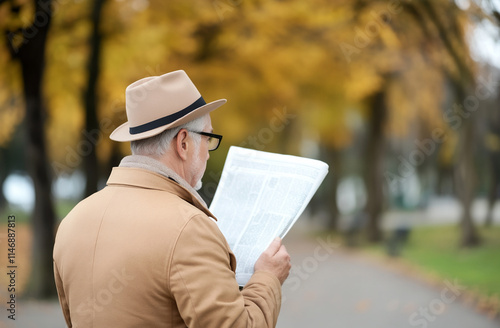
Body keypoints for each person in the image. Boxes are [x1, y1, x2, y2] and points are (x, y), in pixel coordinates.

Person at [53, 70, 291, 327]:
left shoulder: (72, 220)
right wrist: (268, 277)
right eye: (208, 138)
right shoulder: (189, 228)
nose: (209, 153)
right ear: (184, 143)